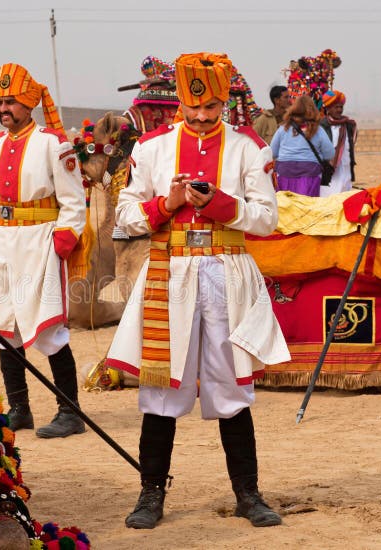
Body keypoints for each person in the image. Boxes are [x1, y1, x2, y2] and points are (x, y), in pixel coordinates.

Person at [105, 52, 291, 529]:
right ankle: (150, 496)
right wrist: (166, 203)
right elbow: (125, 216)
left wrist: (224, 205)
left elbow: (268, 218)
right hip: (169, 273)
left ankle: (248, 494)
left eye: (212, 109)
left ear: (224, 101)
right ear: (181, 102)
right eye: (194, 108)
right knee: (160, 391)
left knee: (231, 387)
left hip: (227, 274)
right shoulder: (150, 149)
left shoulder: (251, 148)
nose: (203, 118)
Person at [0, 63, 87, 438]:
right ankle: (20, 408)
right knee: (4, 326)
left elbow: (75, 203)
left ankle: (70, 412)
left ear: (29, 105)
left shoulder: (54, 145)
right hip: (0, 245)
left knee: (48, 330)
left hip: (39, 242)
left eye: (11, 101)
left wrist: (63, 242)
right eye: (0, 101)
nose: (5, 108)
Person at [270, 95, 335, 197]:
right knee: (306, 206)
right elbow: (330, 153)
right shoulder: (318, 130)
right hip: (310, 174)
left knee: (286, 206)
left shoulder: (283, 128)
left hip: (284, 172)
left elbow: (272, 152)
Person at [319, 89, 358, 197]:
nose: (339, 110)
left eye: (341, 107)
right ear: (328, 108)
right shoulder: (321, 126)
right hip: (329, 171)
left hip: (346, 169)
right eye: (336, 107)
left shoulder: (349, 125)